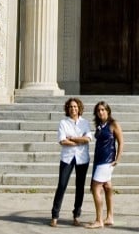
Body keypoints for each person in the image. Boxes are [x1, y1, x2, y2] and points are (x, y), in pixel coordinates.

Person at [50, 97, 92, 227]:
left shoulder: (85, 123)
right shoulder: (63, 123)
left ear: (79, 108)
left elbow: (88, 139)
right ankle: (55, 215)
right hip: (67, 158)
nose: (73, 109)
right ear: (68, 109)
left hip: (82, 158)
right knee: (62, 185)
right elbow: (62, 141)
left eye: (75, 107)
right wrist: (79, 141)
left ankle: (76, 216)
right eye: (71, 107)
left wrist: (73, 139)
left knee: (80, 187)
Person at [86, 101, 123, 229]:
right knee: (107, 187)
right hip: (99, 160)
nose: (100, 112)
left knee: (96, 188)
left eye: (103, 109)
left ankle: (99, 220)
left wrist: (117, 159)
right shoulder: (100, 125)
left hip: (106, 161)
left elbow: (121, 142)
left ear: (108, 111)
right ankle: (110, 217)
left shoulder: (114, 124)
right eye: (98, 110)